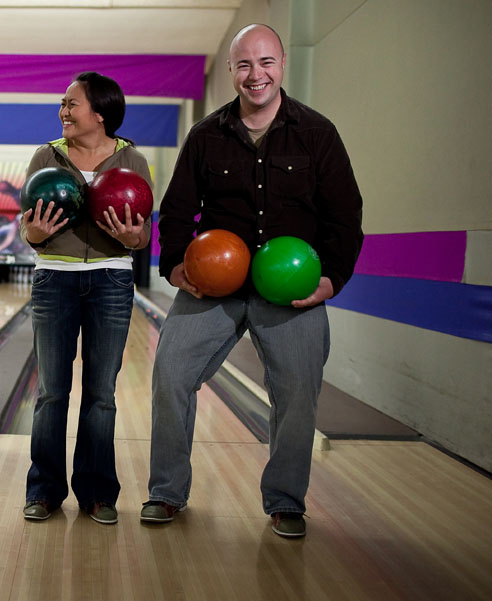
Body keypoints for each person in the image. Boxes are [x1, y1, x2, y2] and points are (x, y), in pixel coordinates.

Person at [142, 24, 363, 537]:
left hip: (291, 291)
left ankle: (286, 501)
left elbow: (345, 215)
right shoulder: (205, 135)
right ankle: (165, 492)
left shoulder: (317, 133)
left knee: (297, 391)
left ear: (282, 64)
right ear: (231, 72)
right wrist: (175, 264)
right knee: (171, 373)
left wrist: (332, 279)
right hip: (215, 288)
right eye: (244, 64)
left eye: (265, 63)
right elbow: (176, 212)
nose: (255, 74)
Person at [20, 71, 153, 525]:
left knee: (101, 395)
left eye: (71, 104)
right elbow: (28, 225)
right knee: (52, 393)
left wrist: (136, 238)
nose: (63, 112)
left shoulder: (132, 160)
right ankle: (44, 491)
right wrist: (33, 234)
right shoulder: (46, 156)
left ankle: (98, 493)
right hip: (54, 278)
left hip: (111, 281)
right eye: (62, 104)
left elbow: (144, 232)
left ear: (100, 112)